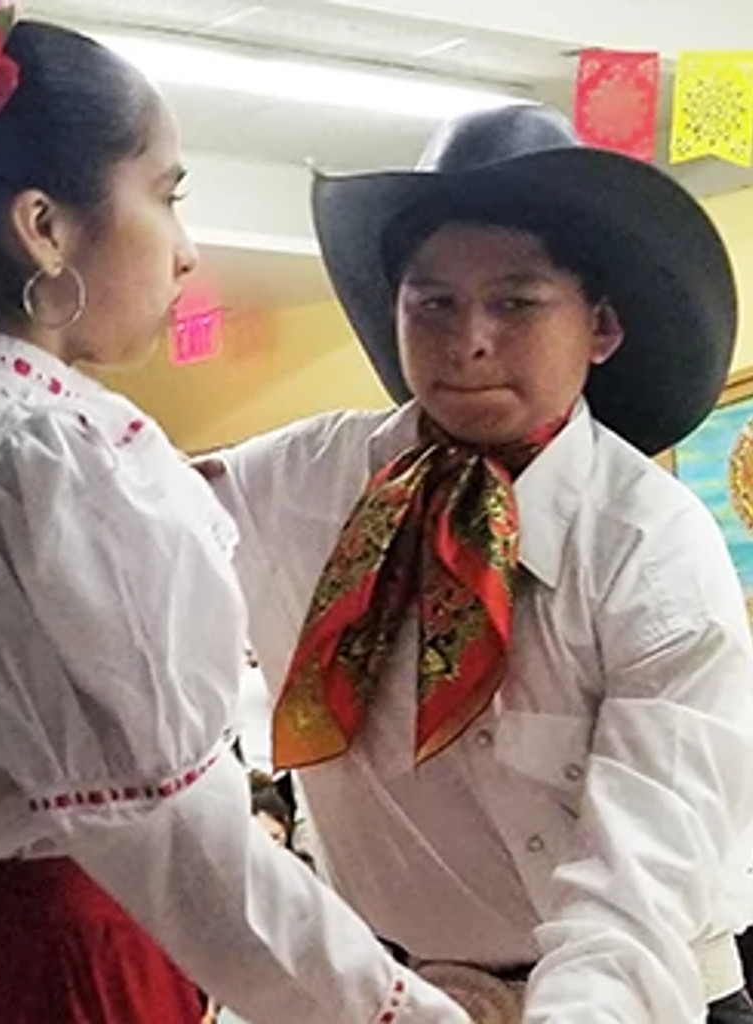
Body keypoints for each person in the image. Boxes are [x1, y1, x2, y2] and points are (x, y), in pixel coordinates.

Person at [0, 5, 465, 1022]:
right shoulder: (39, 463)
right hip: (22, 970)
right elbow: (191, 846)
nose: (184, 250)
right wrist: (403, 1011)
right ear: (44, 226)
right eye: (165, 196)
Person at [206, 102, 753, 1022]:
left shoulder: (649, 548)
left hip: (626, 992)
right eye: (434, 303)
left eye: (515, 302)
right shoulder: (302, 484)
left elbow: (639, 889)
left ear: (602, 328)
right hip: (390, 990)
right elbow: (115, 527)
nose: (469, 341)